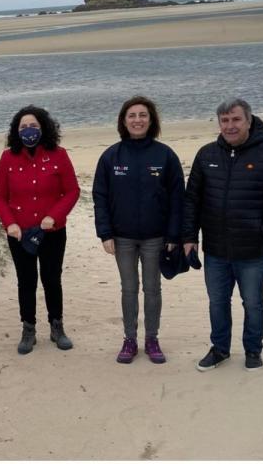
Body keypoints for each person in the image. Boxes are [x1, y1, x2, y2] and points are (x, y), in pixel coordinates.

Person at [182, 98, 263, 372]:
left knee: (253, 303)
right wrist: (190, 237)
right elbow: (192, 200)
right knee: (218, 302)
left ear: (248, 120)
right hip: (215, 249)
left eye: (235, 119)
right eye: (224, 120)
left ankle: (253, 350)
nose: (230, 126)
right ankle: (220, 349)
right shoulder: (207, 155)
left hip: (253, 251)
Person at [92, 96, 184, 365]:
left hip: (156, 238)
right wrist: (105, 233)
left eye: (143, 115)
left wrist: (173, 235)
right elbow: (100, 196)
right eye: (132, 115)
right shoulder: (111, 156)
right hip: (122, 238)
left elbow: (179, 197)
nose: (137, 120)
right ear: (123, 121)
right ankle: (130, 339)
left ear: (151, 120)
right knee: (129, 288)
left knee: (153, 289)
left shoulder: (165, 155)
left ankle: (152, 339)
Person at [0, 105, 80, 355]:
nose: (28, 131)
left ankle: (57, 327)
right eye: (23, 127)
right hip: (19, 233)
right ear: (15, 131)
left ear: (43, 128)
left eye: (33, 126)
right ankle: (28, 328)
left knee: (52, 279)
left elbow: (72, 191)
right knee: (26, 281)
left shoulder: (58, 154)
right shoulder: (8, 157)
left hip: (52, 232)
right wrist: (9, 223)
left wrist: (54, 216)